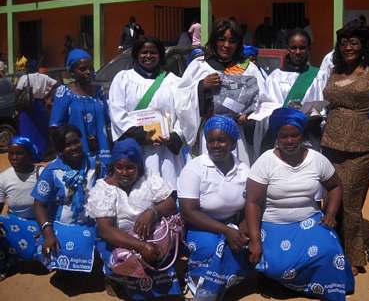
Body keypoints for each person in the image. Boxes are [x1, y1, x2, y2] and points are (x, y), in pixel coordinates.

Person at [245, 107, 354, 301]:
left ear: (302, 134)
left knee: (328, 252)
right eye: (283, 136)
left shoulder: (316, 159)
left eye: (294, 135)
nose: (289, 141)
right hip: (274, 222)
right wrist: (255, 241)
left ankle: (327, 289)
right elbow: (252, 202)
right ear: (276, 136)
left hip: (309, 219)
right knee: (278, 265)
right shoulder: (265, 162)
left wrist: (330, 213)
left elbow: (335, 186)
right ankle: (289, 285)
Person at [320, 19, 369, 276]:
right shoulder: (336, 69)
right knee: (331, 200)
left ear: (365, 45)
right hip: (332, 144)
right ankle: (332, 250)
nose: (348, 47)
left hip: (362, 146)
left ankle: (354, 256)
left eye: (354, 43)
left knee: (351, 203)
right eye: (344, 43)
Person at [87, 138, 182, 299]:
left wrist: (153, 212)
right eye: (120, 167)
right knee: (135, 273)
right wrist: (141, 246)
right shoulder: (104, 189)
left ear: (138, 167)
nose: (124, 172)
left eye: (130, 168)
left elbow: (171, 202)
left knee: (161, 257)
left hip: (150, 238)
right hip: (120, 242)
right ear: (113, 167)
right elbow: (106, 230)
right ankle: (118, 280)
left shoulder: (149, 181)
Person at [178, 116, 251, 301]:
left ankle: (213, 287)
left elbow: (251, 204)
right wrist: (226, 230)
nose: (215, 145)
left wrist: (243, 226)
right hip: (199, 226)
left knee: (246, 244)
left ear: (233, 143)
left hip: (233, 223)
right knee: (212, 246)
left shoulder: (244, 169)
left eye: (221, 140)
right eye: (211, 140)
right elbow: (188, 212)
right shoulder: (194, 168)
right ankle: (201, 286)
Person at [175, 18, 265, 166]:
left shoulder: (248, 68)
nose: (226, 45)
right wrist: (201, 85)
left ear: (239, 43)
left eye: (232, 41)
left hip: (237, 133)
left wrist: (249, 115)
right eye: (221, 39)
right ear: (214, 40)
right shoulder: (200, 65)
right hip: (209, 133)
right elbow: (181, 98)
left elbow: (262, 100)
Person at [109, 36, 185, 188]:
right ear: (136, 54)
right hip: (135, 150)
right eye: (144, 52)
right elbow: (117, 114)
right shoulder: (123, 79)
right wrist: (146, 136)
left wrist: (173, 137)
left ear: (161, 55)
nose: (148, 56)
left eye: (153, 52)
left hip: (165, 151)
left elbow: (183, 115)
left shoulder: (174, 82)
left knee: (167, 194)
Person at [31, 125, 102, 273]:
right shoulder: (51, 171)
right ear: (59, 150)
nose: (74, 147)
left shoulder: (95, 164)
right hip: (63, 226)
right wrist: (48, 233)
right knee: (65, 262)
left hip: (92, 223)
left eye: (76, 142)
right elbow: (39, 205)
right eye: (67, 145)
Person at [254, 28, 325, 156]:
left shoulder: (318, 76)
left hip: (308, 138)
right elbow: (267, 107)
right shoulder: (275, 77)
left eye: (302, 48)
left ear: (309, 49)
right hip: (281, 139)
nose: (298, 52)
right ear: (287, 48)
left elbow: (323, 109)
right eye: (293, 48)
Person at [49, 48, 111, 165]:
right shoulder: (64, 93)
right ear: (72, 72)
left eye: (91, 68)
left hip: (102, 153)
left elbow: (108, 120)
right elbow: (55, 128)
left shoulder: (99, 91)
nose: (88, 72)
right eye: (83, 69)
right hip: (75, 155)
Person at [0, 137, 43, 280]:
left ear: (30, 154)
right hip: (14, 224)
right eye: (11, 153)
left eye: (19, 153)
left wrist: (46, 227)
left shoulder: (42, 174)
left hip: (40, 224)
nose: (13, 157)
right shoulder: (4, 178)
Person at [16, 72, 60, 157]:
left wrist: (18, 101)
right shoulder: (45, 77)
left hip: (27, 107)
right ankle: (41, 153)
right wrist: (47, 95)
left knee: (27, 131)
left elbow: (17, 90)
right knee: (41, 131)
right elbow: (57, 84)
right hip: (40, 105)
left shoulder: (24, 77)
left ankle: (29, 153)